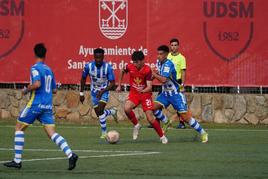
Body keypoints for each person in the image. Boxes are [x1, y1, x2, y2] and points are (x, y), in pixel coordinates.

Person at [3, 43, 78, 170]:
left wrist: (26, 89)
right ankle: (71, 154)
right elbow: (54, 90)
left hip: (35, 104)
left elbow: (37, 84)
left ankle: (17, 161)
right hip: (47, 106)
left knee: (19, 128)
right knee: (52, 133)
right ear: (45, 55)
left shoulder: (34, 68)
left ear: (35, 54)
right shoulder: (49, 70)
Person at [152, 45, 208, 143]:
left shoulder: (168, 64)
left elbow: (164, 80)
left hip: (175, 94)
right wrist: (151, 76)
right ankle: (166, 121)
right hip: (165, 94)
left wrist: (154, 74)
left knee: (185, 117)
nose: (158, 56)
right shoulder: (158, 63)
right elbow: (156, 75)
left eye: (161, 54)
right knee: (152, 108)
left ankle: (203, 132)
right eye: (158, 54)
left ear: (166, 55)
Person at [116, 51, 168, 144]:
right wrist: (119, 85)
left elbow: (149, 87)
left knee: (150, 118)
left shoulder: (147, 70)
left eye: (136, 62)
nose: (135, 64)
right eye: (133, 62)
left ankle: (162, 136)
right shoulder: (129, 66)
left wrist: (142, 91)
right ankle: (137, 125)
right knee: (127, 108)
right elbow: (122, 71)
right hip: (134, 93)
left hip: (145, 95)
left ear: (142, 61)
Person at [80, 48, 118, 139]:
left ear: (103, 57)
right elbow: (83, 79)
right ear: (94, 57)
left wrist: (103, 91)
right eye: (96, 57)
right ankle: (112, 111)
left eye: (100, 57)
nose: (98, 60)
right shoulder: (88, 66)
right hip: (94, 92)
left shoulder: (108, 67)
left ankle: (104, 133)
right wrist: (81, 93)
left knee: (100, 110)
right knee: (99, 114)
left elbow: (112, 83)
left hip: (104, 91)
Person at [167, 38, 187, 129]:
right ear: (170, 46)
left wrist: (182, 84)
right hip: (167, 83)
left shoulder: (182, 58)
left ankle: (182, 123)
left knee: (179, 104)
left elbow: (183, 72)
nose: (174, 47)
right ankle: (155, 122)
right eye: (172, 45)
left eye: (175, 45)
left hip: (177, 82)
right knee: (158, 102)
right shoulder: (167, 56)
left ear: (178, 46)